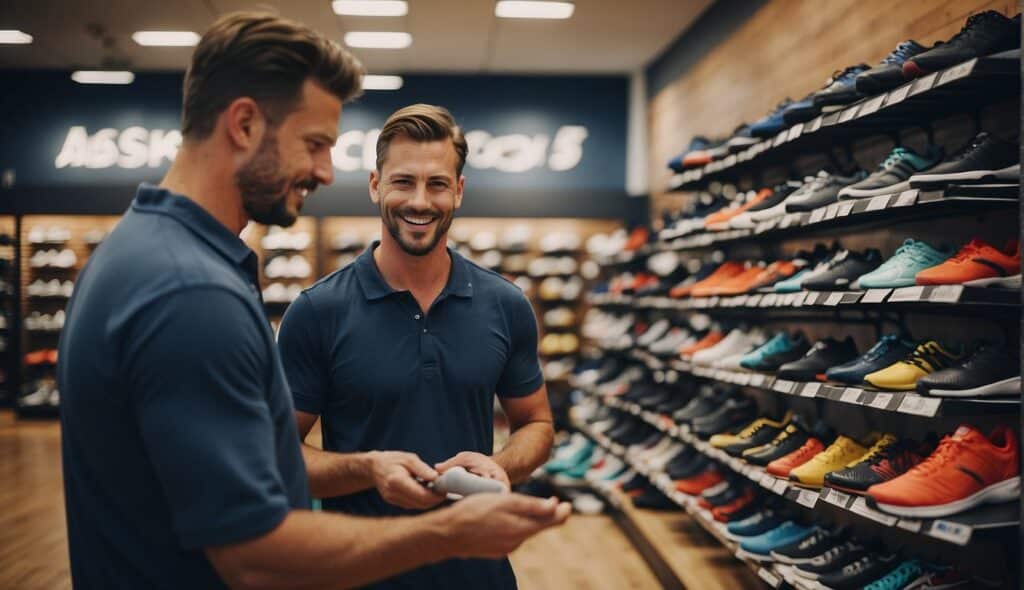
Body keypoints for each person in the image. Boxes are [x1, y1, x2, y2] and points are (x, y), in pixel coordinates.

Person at [57, 11, 569, 590]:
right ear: (244, 124)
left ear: (459, 190)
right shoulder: (191, 291)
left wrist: (384, 468)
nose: (325, 171)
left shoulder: (142, 251)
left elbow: (250, 477)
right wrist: (451, 531)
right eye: (316, 143)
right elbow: (255, 552)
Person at [276, 103, 556, 589]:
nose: (420, 201)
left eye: (438, 183)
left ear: (460, 191)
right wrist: (369, 470)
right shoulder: (318, 311)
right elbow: (276, 454)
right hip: (360, 570)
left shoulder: (505, 304)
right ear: (374, 185)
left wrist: (501, 466)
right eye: (403, 181)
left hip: (478, 570)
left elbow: (536, 422)